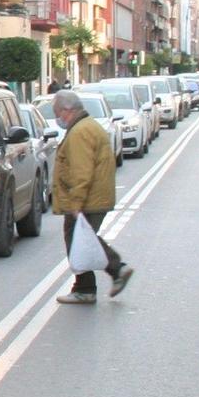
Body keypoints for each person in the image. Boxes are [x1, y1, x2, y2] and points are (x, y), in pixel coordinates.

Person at [50, 90, 133, 305]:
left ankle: (94, 283)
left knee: (79, 241)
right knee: (84, 240)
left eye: (57, 112)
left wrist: (76, 203)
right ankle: (95, 282)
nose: (57, 118)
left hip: (87, 200)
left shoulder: (80, 132)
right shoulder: (88, 126)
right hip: (95, 196)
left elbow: (81, 171)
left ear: (67, 111)